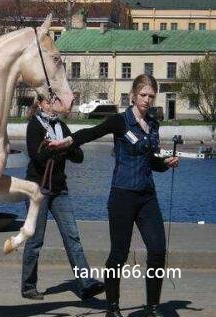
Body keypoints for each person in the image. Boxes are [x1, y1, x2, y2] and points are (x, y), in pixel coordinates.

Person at [49, 74, 180, 317]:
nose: (147, 100)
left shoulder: (154, 124)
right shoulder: (120, 121)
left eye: (151, 96)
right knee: (118, 254)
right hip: (122, 195)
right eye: (143, 95)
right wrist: (66, 141)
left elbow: (151, 161)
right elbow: (91, 132)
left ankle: (152, 308)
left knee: (158, 249)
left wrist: (166, 163)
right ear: (133, 95)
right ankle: (112, 308)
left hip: (147, 196)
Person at [21, 93, 105, 301]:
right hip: (37, 189)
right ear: (39, 104)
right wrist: (55, 148)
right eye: (47, 101)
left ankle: (86, 283)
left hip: (60, 190)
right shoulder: (34, 125)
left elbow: (79, 157)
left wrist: (65, 146)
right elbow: (36, 157)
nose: (51, 105)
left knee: (72, 237)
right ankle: (28, 285)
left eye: (54, 101)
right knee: (35, 240)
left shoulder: (61, 126)